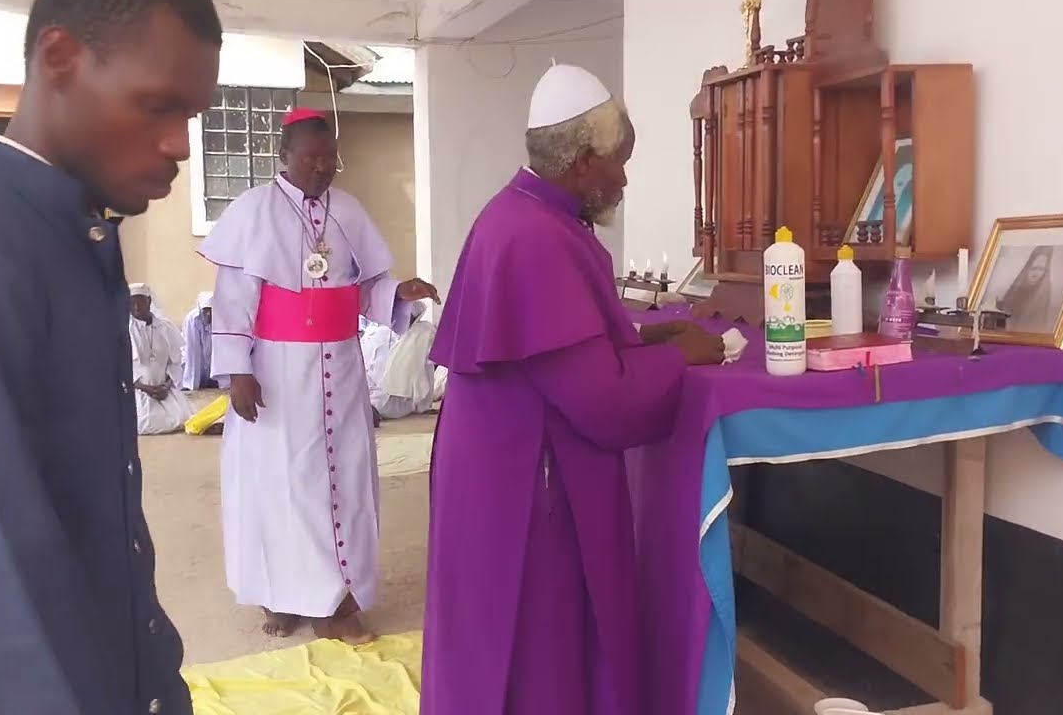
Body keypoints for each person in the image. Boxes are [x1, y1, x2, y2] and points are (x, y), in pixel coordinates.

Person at [0, 0, 221, 713]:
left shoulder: (70, 236)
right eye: (157, 106)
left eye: (189, 116)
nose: (180, 145)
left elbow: (97, 517)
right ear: (59, 59)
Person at [420, 64, 724, 715]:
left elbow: (565, 349)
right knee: (541, 660)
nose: (623, 178)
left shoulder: (525, 214)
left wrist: (648, 340)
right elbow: (603, 400)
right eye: (619, 161)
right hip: (528, 494)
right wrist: (686, 358)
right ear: (584, 161)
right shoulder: (535, 238)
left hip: (503, 474)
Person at [198, 107, 439, 643]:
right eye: (311, 158)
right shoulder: (253, 211)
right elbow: (234, 299)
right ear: (284, 157)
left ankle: (337, 601)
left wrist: (398, 294)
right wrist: (238, 371)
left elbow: (361, 289)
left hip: (341, 365)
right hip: (278, 371)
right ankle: (282, 594)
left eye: (330, 159)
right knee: (281, 484)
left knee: (343, 482)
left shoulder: (348, 211)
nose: (322, 168)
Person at [361, 303, 447, 419]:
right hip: (394, 400)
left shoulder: (373, 331)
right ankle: (422, 406)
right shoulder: (423, 331)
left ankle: (370, 410)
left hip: (372, 398)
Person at [130, 283, 196, 434]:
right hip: (137, 390)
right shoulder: (123, 330)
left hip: (164, 389)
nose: (136, 308)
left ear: (149, 301)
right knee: (143, 423)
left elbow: (175, 362)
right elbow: (120, 367)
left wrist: (166, 386)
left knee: (182, 418)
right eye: (131, 303)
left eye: (140, 302)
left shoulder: (166, 327)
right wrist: (145, 388)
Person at [999, 245, 1055, 331]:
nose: (1035, 275)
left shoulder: (1043, 295)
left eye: (1041, 270)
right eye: (1033, 268)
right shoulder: (1015, 289)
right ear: (1027, 268)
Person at [182, 290, 223, 390]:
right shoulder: (192, 319)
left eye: (211, 310)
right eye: (205, 311)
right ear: (200, 309)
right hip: (196, 361)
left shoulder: (221, 319)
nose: (208, 314)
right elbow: (193, 352)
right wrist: (192, 383)